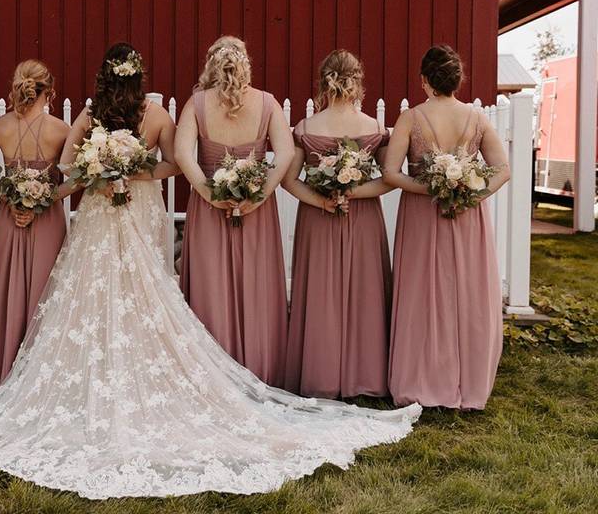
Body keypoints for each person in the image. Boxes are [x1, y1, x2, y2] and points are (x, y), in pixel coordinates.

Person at [0, 42, 421, 500]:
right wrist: (138, 173)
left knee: (102, 289)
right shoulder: (156, 114)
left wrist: (102, 174)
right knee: (142, 290)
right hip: (136, 206)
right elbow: (174, 163)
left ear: (103, 77)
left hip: (102, 209)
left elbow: (70, 165)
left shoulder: (92, 115)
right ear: (139, 78)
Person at [383, 45, 511, 410]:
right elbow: (503, 170)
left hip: (423, 216)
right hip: (467, 216)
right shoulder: (476, 118)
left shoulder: (411, 118)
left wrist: (432, 189)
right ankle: (467, 382)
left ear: (424, 80)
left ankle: (422, 378)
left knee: (422, 293)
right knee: (467, 292)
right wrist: (469, 194)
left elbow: (391, 173)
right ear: (458, 80)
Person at [176, 36, 294, 386]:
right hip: (255, 211)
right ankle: (259, 368)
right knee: (256, 284)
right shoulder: (267, 103)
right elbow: (286, 154)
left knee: (211, 286)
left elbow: (182, 154)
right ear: (246, 63)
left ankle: (212, 375)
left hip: (210, 210)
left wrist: (211, 195)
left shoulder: (196, 104)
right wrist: (258, 195)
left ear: (210, 64)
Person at [281, 50, 393, 399]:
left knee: (321, 291)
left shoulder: (306, 128)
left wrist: (324, 201)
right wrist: (355, 192)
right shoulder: (374, 128)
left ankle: (321, 374)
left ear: (324, 82)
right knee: (365, 290)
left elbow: (288, 180)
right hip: (363, 218)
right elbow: (390, 179)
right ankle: (366, 375)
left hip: (319, 218)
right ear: (358, 82)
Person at [0, 60, 70, 391]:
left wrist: (8, 197)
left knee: (9, 288)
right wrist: (46, 198)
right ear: (49, 92)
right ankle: (41, 375)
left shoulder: (1, 126)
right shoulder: (60, 129)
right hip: (47, 219)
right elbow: (79, 178)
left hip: (9, 217)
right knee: (45, 289)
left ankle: (7, 366)